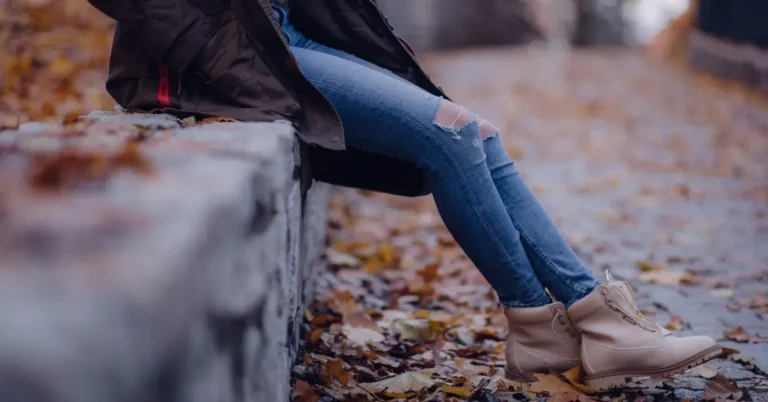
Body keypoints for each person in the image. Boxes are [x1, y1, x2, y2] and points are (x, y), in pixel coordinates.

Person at [87, 0, 721, 390]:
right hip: (231, 52)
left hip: (285, 31)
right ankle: (540, 320)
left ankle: (584, 321)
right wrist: (200, 47)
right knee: (450, 136)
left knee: (477, 132)